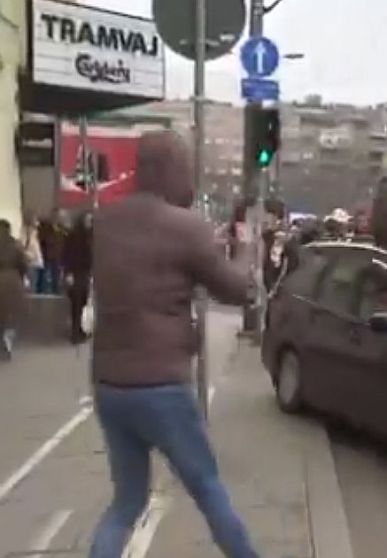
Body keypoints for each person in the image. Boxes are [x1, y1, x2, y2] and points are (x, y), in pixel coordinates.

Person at [88, 131, 259, 558]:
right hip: (161, 385)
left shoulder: (105, 222)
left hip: (111, 384)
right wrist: (247, 250)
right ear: (166, 170)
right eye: (186, 170)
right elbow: (236, 291)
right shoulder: (186, 228)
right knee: (206, 486)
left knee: (126, 503)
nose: (191, 181)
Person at [63, 213, 93, 344]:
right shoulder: (76, 237)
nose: (90, 223)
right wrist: (68, 273)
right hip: (76, 274)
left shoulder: (87, 236)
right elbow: (67, 255)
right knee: (76, 304)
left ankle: (79, 330)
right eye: (88, 220)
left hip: (83, 274)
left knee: (81, 303)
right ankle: (75, 333)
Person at [0, 220, 27, 361]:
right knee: (10, 315)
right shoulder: (16, 245)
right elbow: (23, 264)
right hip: (12, 281)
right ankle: (6, 343)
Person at [20, 211, 43, 292]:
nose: (37, 222)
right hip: (31, 263)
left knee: (35, 286)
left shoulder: (34, 232)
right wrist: (30, 257)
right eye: (35, 219)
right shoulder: (26, 233)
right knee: (31, 287)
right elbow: (23, 247)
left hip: (36, 263)